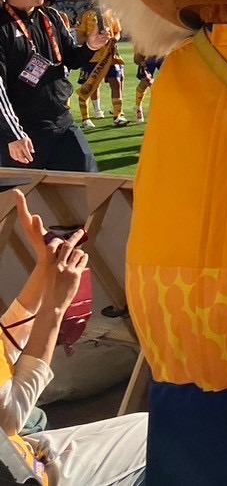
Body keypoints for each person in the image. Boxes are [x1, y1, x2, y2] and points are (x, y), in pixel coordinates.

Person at [0, 189, 147, 485]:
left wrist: (43, 271)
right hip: (33, 473)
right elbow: (10, 416)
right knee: (163, 434)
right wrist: (55, 307)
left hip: (25, 451)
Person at [0, 0, 106, 172]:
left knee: (89, 184)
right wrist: (13, 135)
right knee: (22, 192)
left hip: (62, 123)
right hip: (23, 131)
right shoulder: (3, 27)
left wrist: (90, 46)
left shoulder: (51, 17)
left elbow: (72, 59)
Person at [74, 11, 127, 128]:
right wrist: (94, 40)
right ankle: (85, 118)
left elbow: (117, 32)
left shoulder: (111, 13)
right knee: (88, 87)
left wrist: (113, 39)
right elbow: (80, 38)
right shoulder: (85, 15)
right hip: (91, 57)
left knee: (116, 82)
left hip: (109, 56)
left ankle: (117, 116)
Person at [132, 51, 162, 123]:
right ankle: (138, 107)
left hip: (162, 54)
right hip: (148, 56)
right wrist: (141, 61)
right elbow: (136, 59)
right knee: (146, 81)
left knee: (170, 77)